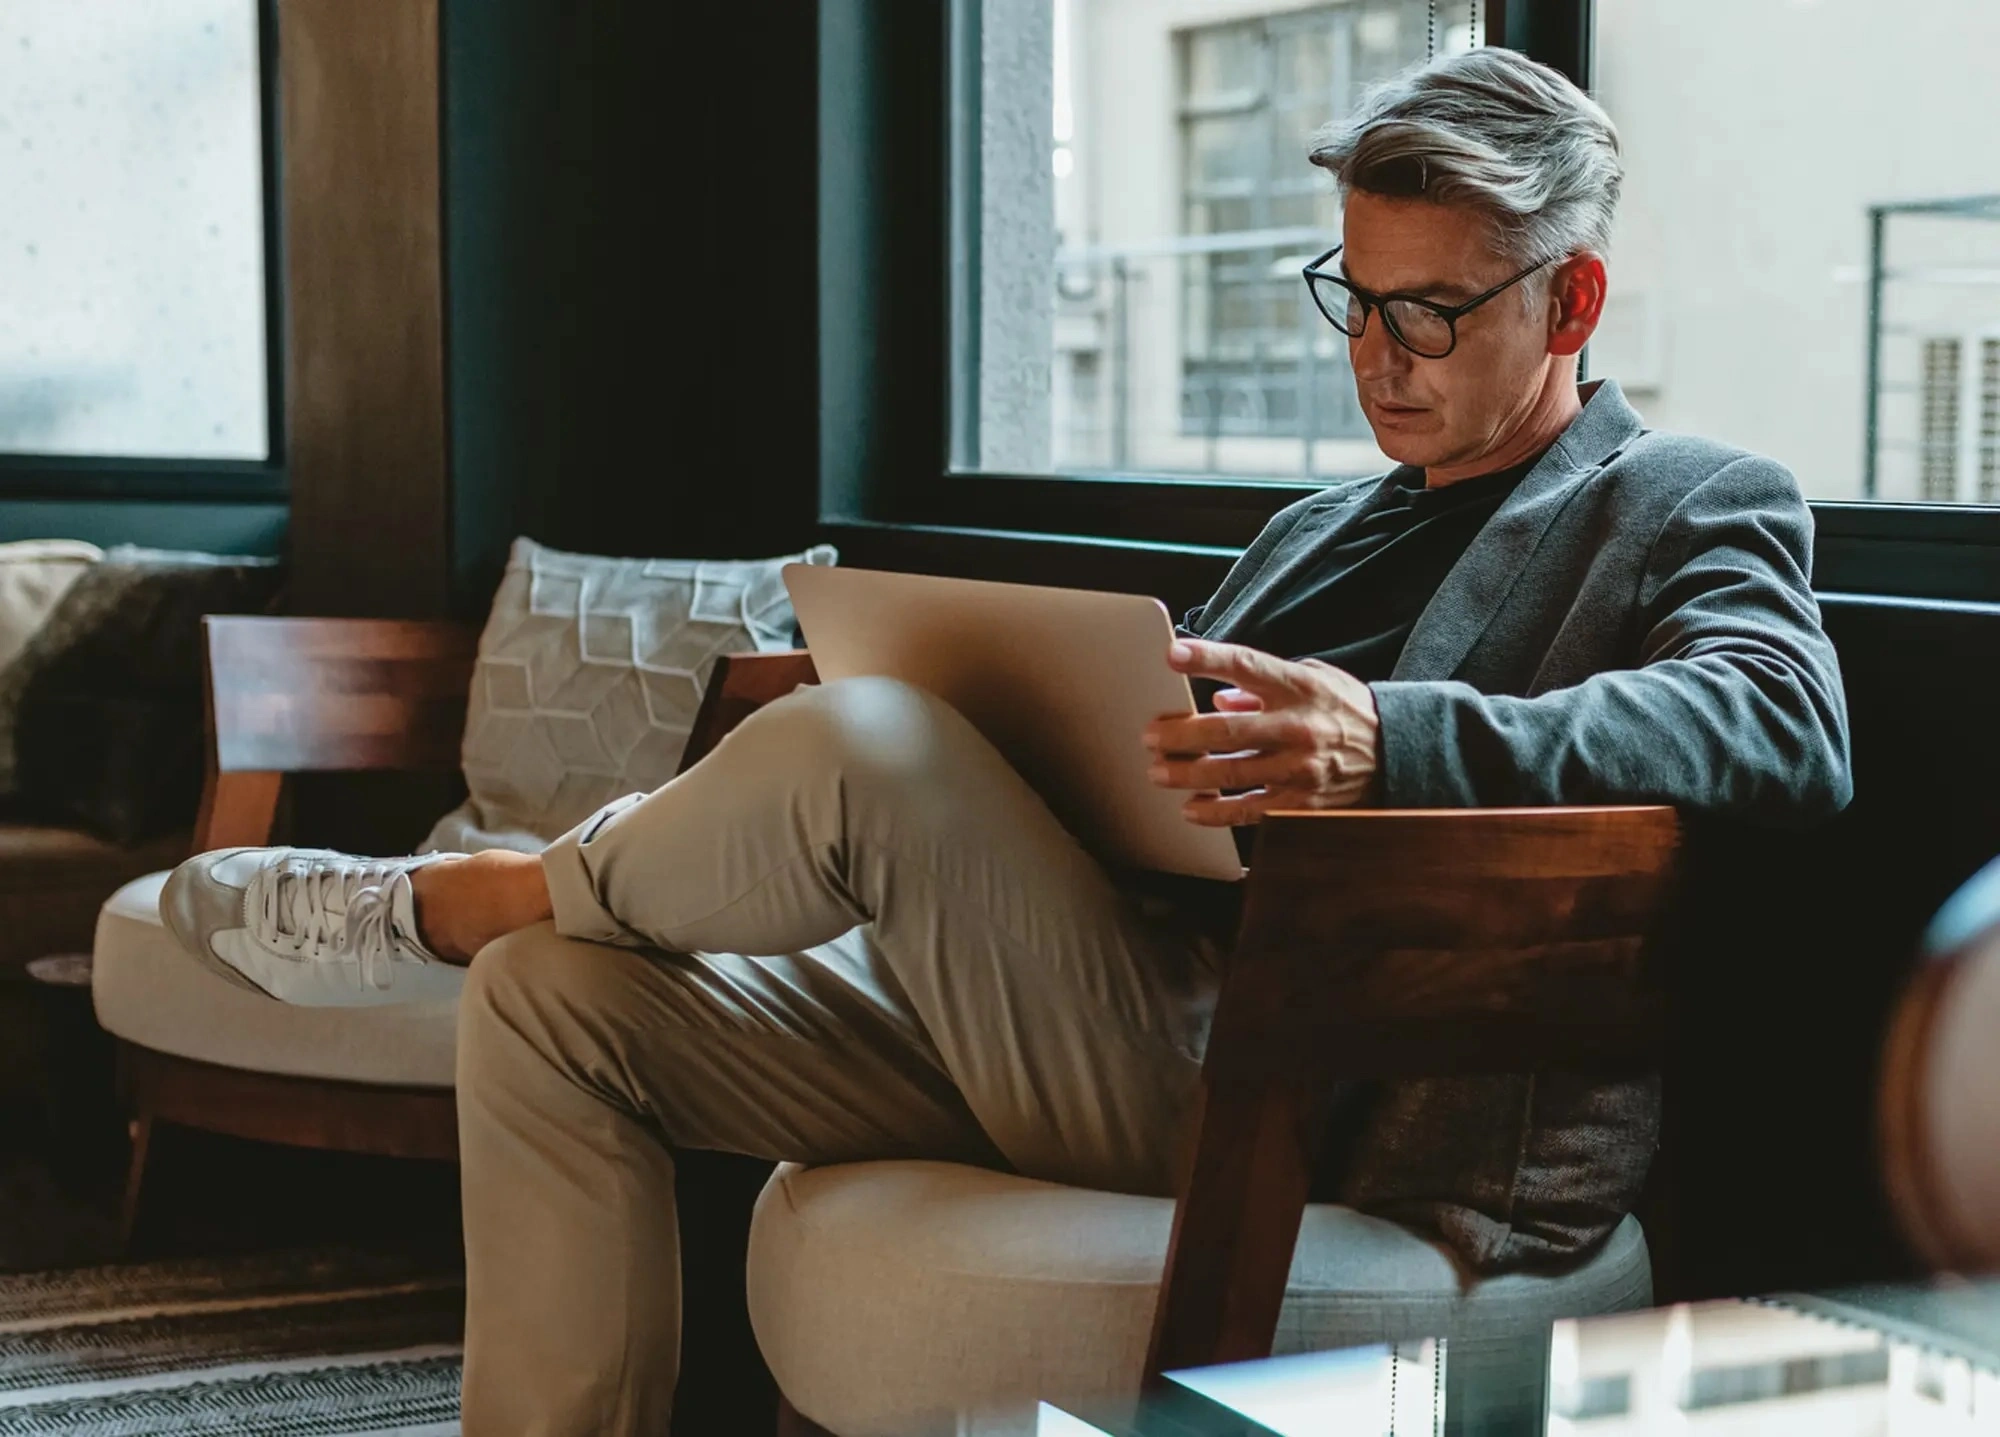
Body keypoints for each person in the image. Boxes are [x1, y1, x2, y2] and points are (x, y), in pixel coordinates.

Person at [160, 47, 1849, 1434]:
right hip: (1107, 1008)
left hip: (1310, 1084)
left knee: (859, 746)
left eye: (1434, 314)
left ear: (1573, 305)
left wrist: (1389, 737)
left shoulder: (1685, 500)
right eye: (1358, 298)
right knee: (559, 1003)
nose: (1378, 359)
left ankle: (464, 900)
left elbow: (1780, 727)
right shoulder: (1315, 534)